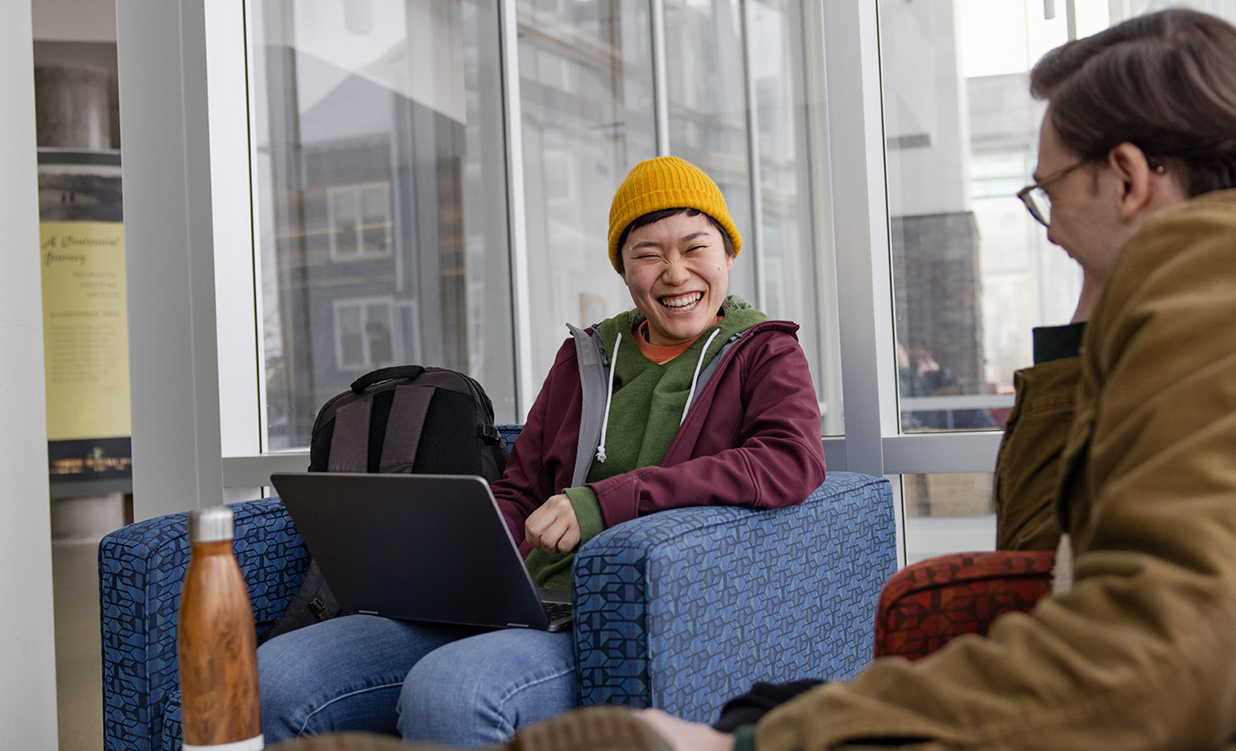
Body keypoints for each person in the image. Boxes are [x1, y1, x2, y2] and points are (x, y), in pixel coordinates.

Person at [626, 6, 1236, 751]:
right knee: (773, 703)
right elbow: (1040, 553)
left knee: (760, 721)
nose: (1049, 235)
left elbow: (1157, 660)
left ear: (1126, 176)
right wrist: (1084, 322)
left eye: (1045, 194)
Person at [256, 156, 826, 746]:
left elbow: (790, 460)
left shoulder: (763, 353)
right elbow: (522, 487)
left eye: (695, 248)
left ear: (728, 254)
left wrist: (605, 502)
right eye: (648, 254)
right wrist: (460, 559)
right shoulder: (584, 357)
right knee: (276, 679)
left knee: (453, 691)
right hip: (518, 599)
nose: (676, 274)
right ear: (624, 271)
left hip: (610, 618)